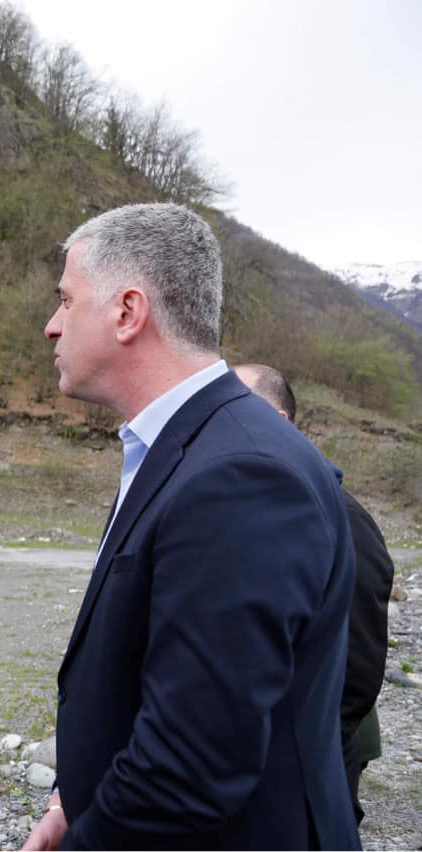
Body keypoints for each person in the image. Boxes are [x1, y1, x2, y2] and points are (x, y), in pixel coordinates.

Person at [23, 204, 359, 849]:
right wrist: (76, 799)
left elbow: (191, 765)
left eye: (66, 301)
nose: (52, 325)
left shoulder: (240, 475)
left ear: (128, 312)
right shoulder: (190, 447)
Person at [235, 362, 395, 826]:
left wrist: (302, 752)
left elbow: (357, 671)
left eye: (233, 407)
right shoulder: (243, 502)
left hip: (309, 771)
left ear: (277, 421)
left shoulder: (340, 516)